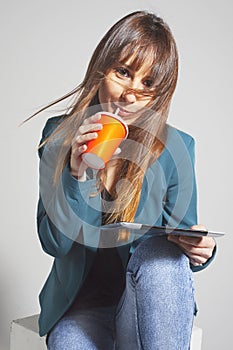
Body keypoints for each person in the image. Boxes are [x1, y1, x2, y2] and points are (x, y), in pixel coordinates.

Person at [32, 11, 216, 350]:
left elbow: (179, 245)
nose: (131, 94)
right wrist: (77, 174)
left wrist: (202, 250)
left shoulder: (177, 148)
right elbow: (53, 243)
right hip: (81, 310)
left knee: (163, 259)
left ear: (160, 93)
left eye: (148, 84)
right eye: (123, 72)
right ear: (102, 68)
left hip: (145, 303)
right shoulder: (58, 136)